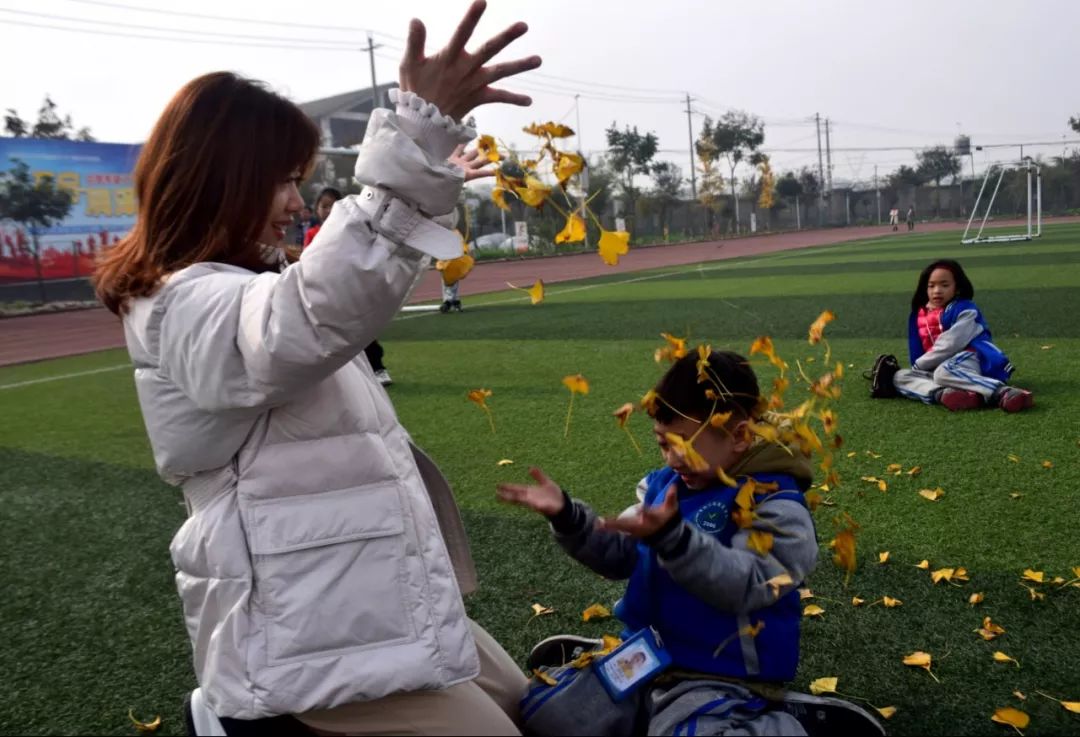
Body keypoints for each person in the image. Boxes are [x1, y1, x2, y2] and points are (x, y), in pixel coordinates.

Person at [91, 2, 542, 734]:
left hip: (346, 599)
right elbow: (308, 317)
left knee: (536, 707)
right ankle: (236, 720)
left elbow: (333, 291)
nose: (296, 202)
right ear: (217, 180)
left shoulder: (236, 288)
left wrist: (428, 173)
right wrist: (419, 133)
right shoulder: (178, 304)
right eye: (279, 180)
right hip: (297, 635)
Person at [497, 351, 867, 735]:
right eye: (662, 444)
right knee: (545, 713)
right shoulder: (664, 487)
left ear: (739, 436)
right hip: (648, 657)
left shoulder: (775, 504)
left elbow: (747, 584)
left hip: (718, 675)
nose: (672, 459)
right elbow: (618, 555)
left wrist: (674, 540)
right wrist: (569, 517)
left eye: (684, 444)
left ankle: (778, 724)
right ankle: (610, 669)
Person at [892, 259, 1033, 411]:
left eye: (944, 285)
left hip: (970, 358)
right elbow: (916, 345)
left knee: (943, 372)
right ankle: (946, 394)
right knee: (899, 376)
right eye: (931, 286)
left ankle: (1002, 392)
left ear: (957, 288)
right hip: (938, 368)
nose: (937, 290)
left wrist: (919, 365)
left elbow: (951, 343)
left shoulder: (965, 310)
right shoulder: (919, 314)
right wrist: (917, 370)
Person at [305, 186, 394, 386]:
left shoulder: (350, 229)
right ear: (316, 209)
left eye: (332, 205)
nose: (327, 210)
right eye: (323, 206)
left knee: (362, 331)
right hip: (324, 291)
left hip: (349, 288)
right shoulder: (312, 233)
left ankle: (378, 368)